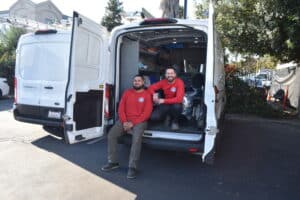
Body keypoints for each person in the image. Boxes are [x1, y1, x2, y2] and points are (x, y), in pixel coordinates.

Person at [101, 75, 152, 179]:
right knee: (111, 135)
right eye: (135, 81)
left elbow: (146, 113)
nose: (136, 82)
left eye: (139, 81)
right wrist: (124, 122)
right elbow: (121, 109)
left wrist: (132, 123)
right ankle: (113, 162)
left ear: (143, 83)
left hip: (139, 122)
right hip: (124, 120)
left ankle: (132, 167)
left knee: (136, 140)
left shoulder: (147, 95)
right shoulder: (127, 93)